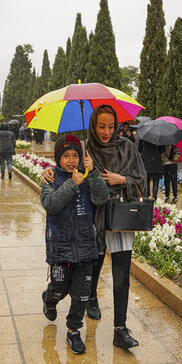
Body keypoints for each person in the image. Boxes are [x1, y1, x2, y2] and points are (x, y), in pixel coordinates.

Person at [41, 105, 147, 350]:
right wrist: (48, 171)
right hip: (92, 222)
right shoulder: (83, 147)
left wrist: (123, 180)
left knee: (121, 276)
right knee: (90, 273)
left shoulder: (127, 147)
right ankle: (91, 298)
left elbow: (142, 180)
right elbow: (63, 165)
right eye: (101, 126)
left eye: (111, 126)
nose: (107, 131)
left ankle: (120, 329)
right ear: (93, 125)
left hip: (121, 218)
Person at [41, 134, 109, 355]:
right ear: (58, 158)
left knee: (82, 294)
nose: (71, 160)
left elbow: (101, 198)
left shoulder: (88, 177)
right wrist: (72, 183)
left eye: (76, 155)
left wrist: (94, 172)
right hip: (60, 248)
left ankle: (73, 332)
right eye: (66, 155)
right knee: (59, 289)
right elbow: (51, 205)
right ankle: (49, 299)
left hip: (86, 247)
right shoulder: (50, 179)